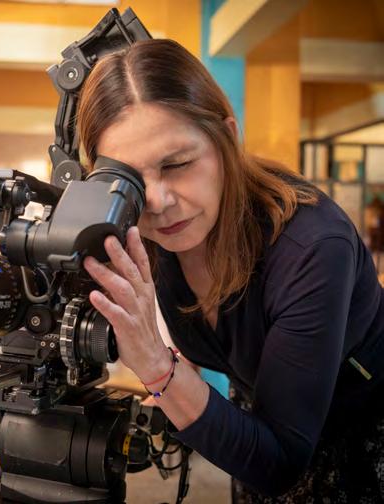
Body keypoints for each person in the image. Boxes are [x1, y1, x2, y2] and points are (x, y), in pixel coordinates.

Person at [79, 39, 384, 502]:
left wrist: (158, 368)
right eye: (132, 181)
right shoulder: (155, 230)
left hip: (357, 441)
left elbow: (280, 463)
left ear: (227, 137)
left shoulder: (313, 247)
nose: (158, 202)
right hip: (254, 427)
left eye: (177, 164)